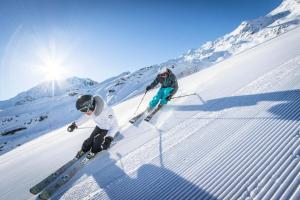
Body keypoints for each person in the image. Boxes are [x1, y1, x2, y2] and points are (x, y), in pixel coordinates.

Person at [67, 94, 119, 159]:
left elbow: (115, 125)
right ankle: (84, 149)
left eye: (84, 110)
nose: (84, 112)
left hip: (107, 128)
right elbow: (84, 117)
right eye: (82, 111)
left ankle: (94, 151)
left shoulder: (107, 111)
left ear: (90, 105)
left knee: (97, 141)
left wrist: (109, 138)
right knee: (90, 140)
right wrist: (75, 124)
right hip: (99, 126)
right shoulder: (91, 110)